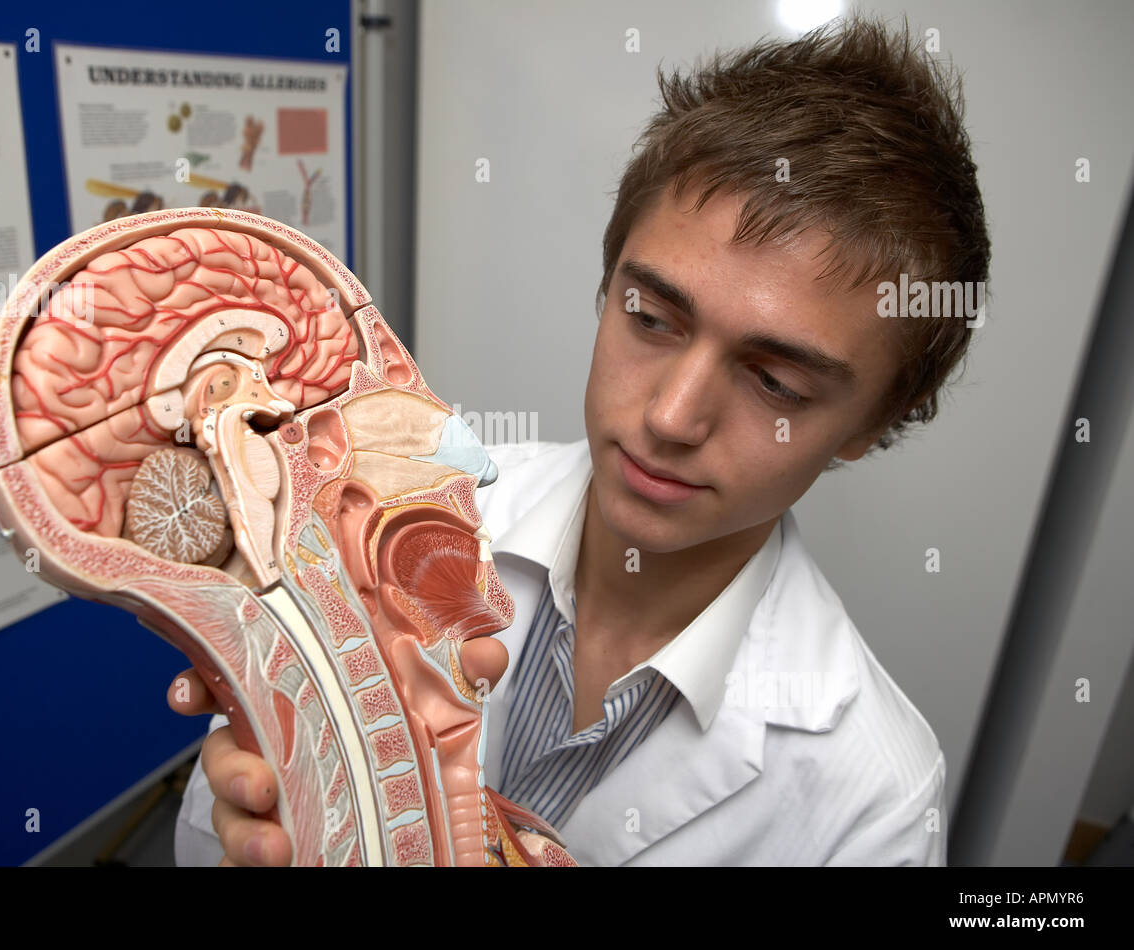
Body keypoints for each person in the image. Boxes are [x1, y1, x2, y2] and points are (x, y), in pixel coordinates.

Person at [169, 12, 989, 866]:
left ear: (871, 428)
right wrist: (254, 820)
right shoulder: (387, 512)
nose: (671, 418)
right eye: (652, 318)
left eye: (775, 381)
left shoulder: (875, 798)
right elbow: (214, 833)